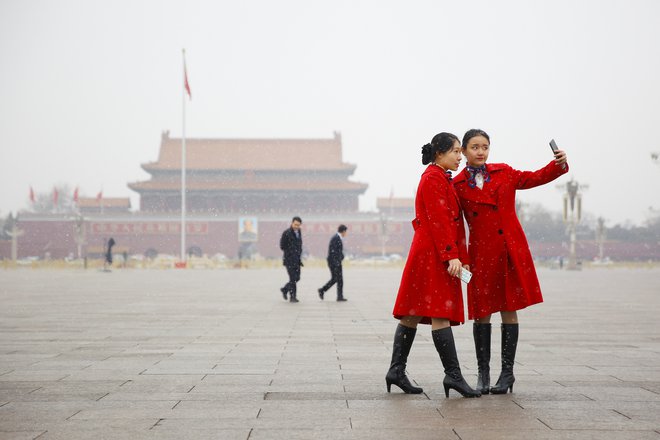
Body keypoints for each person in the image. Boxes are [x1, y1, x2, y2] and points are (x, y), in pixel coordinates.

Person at [453, 129, 569, 395]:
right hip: (480, 253)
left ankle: (507, 374)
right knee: (482, 311)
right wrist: (463, 257)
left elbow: (534, 178)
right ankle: (483, 374)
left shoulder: (504, 172)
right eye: (474, 147)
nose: (481, 151)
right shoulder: (457, 185)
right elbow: (457, 226)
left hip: (508, 249)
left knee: (508, 306)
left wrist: (558, 165)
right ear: (464, 151)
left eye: (485, 146)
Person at [386, 132, 480, 398]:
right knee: (439, 311)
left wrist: (460, 256)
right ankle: (453, 376)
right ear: (439, 153)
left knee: (413, 312)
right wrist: (451, 255)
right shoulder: (433, 179)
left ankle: (396, 370)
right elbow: (439, 219)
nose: (460, 157)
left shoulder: (441, 177)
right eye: (456, 152)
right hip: (434, 255)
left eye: (461, 152)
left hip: (432, 252)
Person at [318, 224, 348, 302]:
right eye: (346, 232)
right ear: (343, 231)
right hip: (334, 262)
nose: (346, 234)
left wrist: (341, 257)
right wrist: (337, 262)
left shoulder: (337, 237)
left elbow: (338, 251)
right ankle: (322, 290)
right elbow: (333, 252)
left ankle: (339, 296)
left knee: (338, 279)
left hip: (335, 262)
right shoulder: (336, 238)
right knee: (336, 279)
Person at [279, 216, 303, 303]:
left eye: (298, 225)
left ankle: (285, 289)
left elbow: (299, 244)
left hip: (297, 260)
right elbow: (282, 245)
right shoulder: (286, 233)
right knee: (293, 278)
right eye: (295, 224)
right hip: (289, 260)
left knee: (297, 278)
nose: (296, 226)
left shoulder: (299, 232)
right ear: (292, 223)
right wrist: (290, 251)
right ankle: (293, 297)